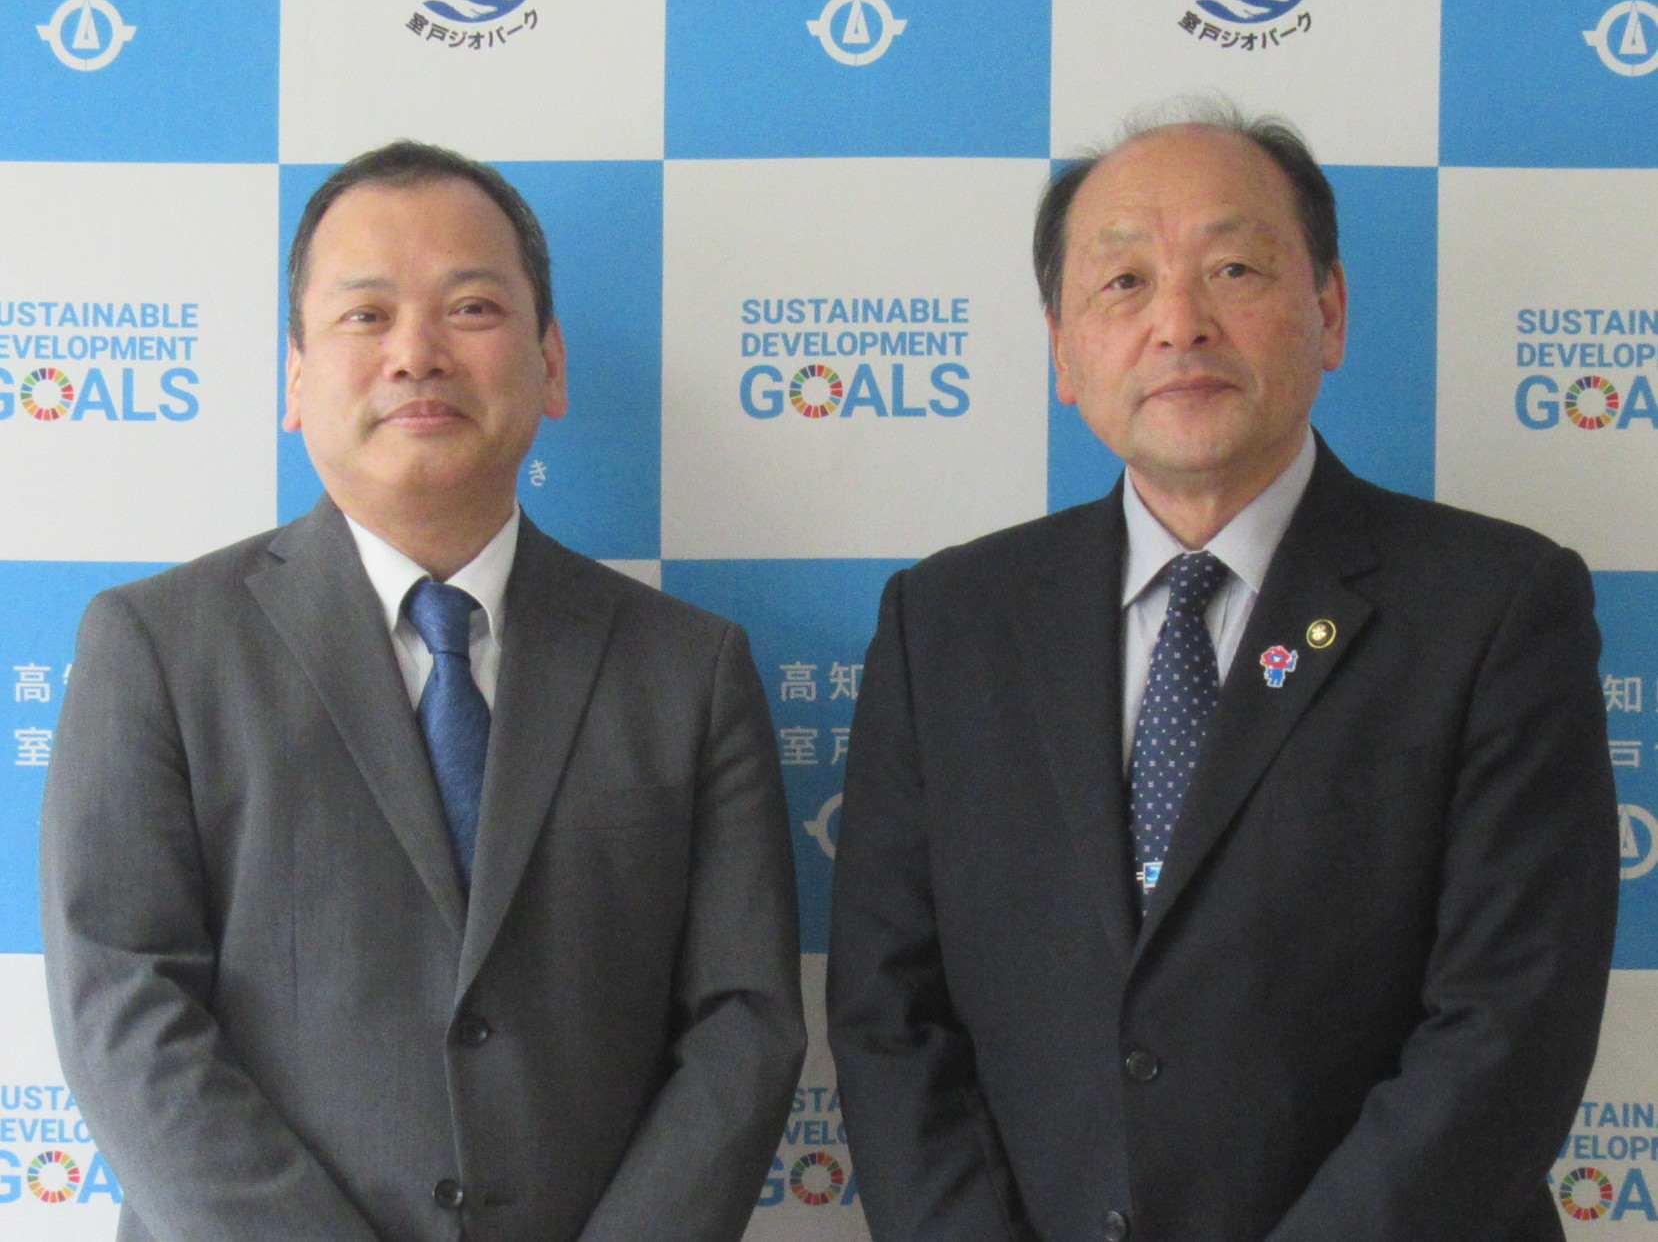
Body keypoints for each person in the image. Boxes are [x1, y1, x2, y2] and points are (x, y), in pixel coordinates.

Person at [827, 101, 1619, 1242]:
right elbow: (888, 1016)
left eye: (1233, 269)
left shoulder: (1495, 606)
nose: (1178, 324)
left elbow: (1509, 1025)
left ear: (1329, 311)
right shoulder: (944, 622)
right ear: (1062, 350)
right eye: (1124, 283)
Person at [41, 140, 805, 1242]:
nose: (416, 354)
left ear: (550, 363)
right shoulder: (157, 646)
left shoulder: (688, 669)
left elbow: (743, 1025)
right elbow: (123, 1007)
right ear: (295, 379)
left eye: (471, 308)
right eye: (365, 315)